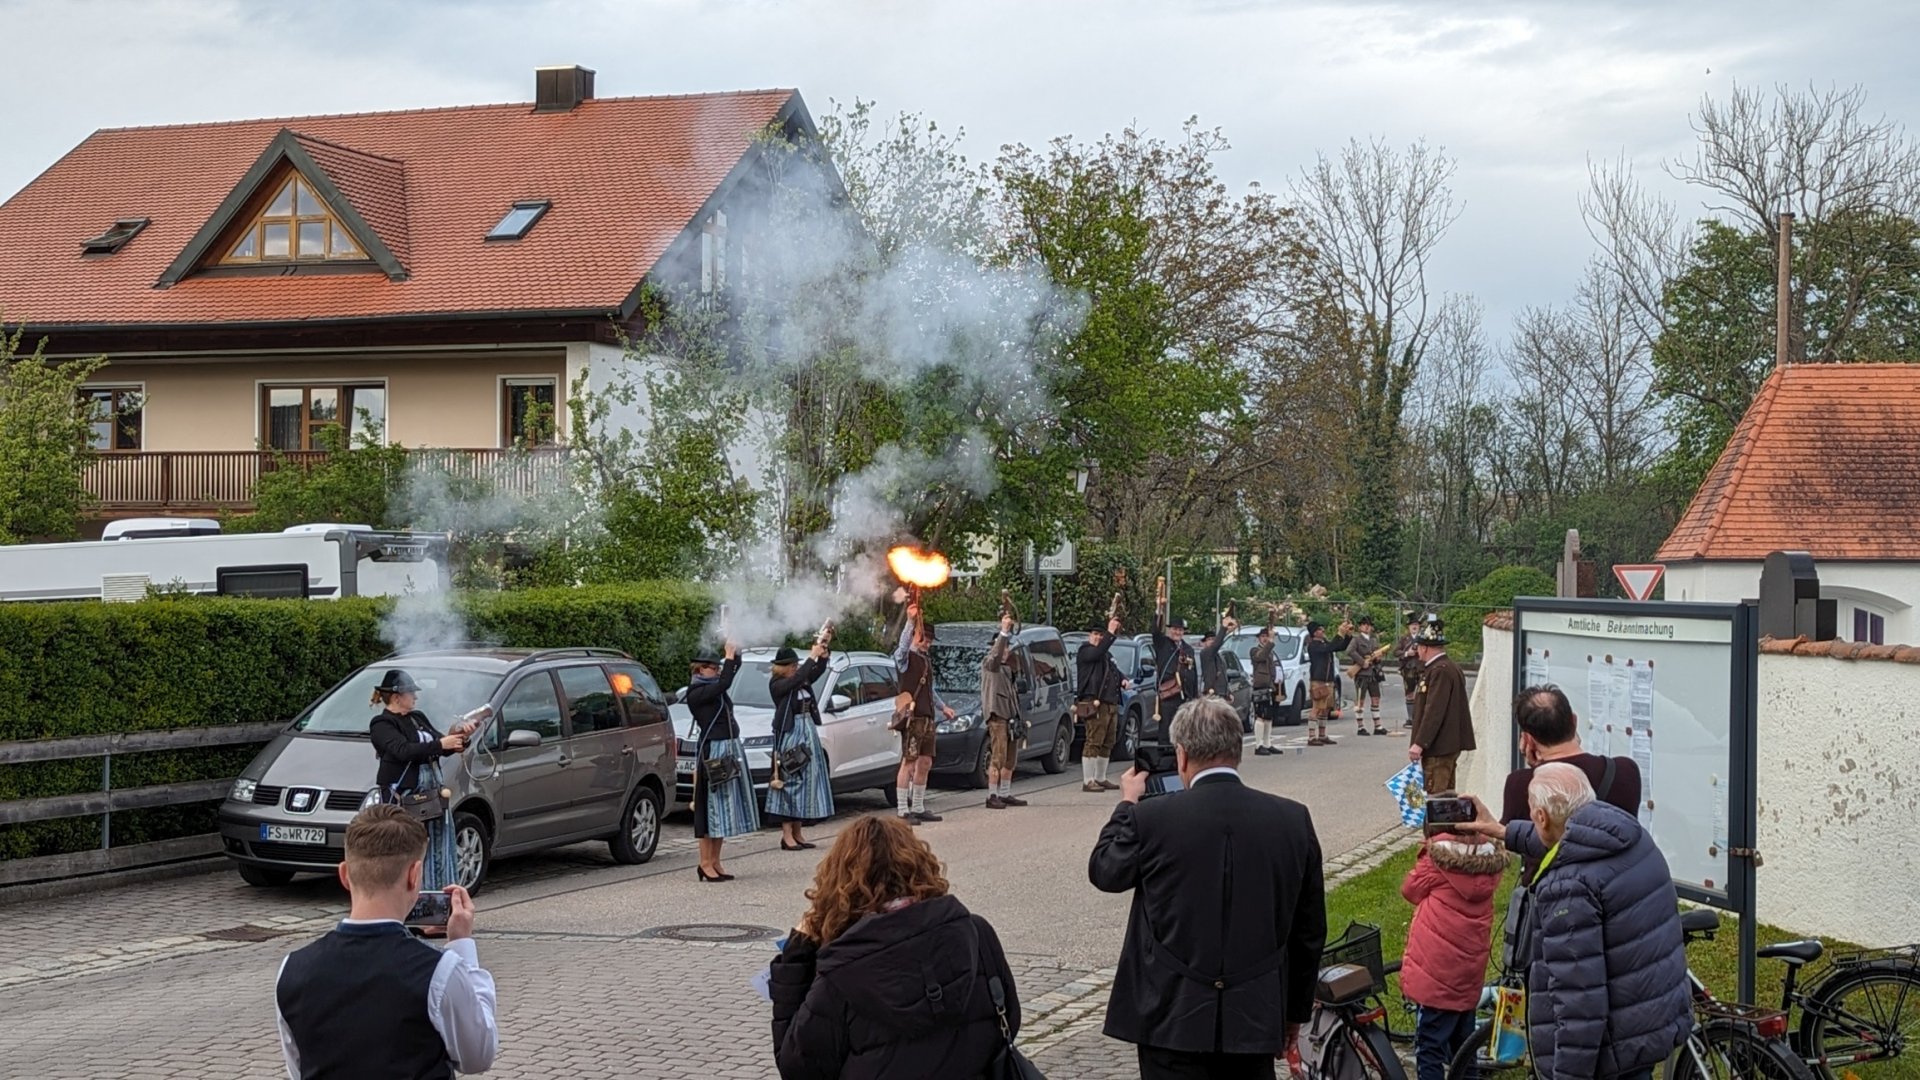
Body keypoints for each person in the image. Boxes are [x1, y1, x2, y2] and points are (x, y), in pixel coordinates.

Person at [1090, 697, 1327, 1080]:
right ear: (1237, 751)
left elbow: (1106, 870)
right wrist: (1294, 1012)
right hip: (1254, 1014)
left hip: (1171, 1015)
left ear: (1182, 756)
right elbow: (1309, 932)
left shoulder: (1151, 817)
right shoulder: (1291, 819)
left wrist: (1127, 805)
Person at [1464, 764, 1690, 1080]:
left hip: (1611, 1053)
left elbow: (1579, 1004)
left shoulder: (1569, 888)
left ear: (1541, 817)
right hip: (1647, 1023)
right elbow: (1564, 840)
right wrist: (1503, 831)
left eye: (1533, 815)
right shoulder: (1625, 835)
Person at [768, 814, 1019, 1080]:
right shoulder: (976, 934)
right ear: (920, 866)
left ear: (840, 884)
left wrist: (797, 957)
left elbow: (798, 1068)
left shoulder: (839, 972)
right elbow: (1007, 1021)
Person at [275, 804, 499, 1078]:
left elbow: (298, 1069)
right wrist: (462, 945)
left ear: (344, 875)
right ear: (414, 875)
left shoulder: (291, 970)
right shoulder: (439, 971)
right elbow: (478, 1055)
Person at [1498, 685, 1642, 877]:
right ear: (1574, 721)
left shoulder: (1520, 784)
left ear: (1528, 740)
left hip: (1553, 886)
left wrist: (1535, 770)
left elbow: (1516, 839)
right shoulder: (1625, 770)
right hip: (1618, 882)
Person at [1399, 829, 1507, 1080]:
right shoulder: (1488, 858)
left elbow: (1410, 890)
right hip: (1469, 968)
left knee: (1429, 1047)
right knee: (1464, 1047)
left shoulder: (1438, 858)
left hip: (1436, 970)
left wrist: (1428, 847)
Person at [369, 670, 483, 891]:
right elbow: (403, 751)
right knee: (410, 848)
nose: (415, 697)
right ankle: (413, 897)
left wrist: (460, 737)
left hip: (431, 794)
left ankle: (438, 893)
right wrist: (441, 744)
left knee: (438, 845)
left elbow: (441, 745)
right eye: (411, 693)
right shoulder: (382, 724)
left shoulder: (417, 717)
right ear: (397, 697)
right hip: (405, 797)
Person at [689, 643, 759, 881]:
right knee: (710, 809)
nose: (717, 670)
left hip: (727, 747)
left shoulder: (714, 687)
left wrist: (734, 648)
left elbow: (732, 671)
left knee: (722, 809)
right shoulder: (697, 692)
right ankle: (704, 863)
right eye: (713, 667)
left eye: (718, 667)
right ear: (700, 669)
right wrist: (728, 657)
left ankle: (716, 861)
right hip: (713, 750)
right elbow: (725, 682)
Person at [893, 602, 958, 825]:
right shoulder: (905, 659)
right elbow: (902, 647)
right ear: (916, 636)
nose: (927, 643)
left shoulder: (925, 660)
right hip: (913, 718)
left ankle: (918, 806)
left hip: (927, 717)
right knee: (909, 762)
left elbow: (929, 690)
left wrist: (943, 707)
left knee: (925, 762)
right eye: (924, 638)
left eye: (929, 640)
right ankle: (903, 810)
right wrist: (911, 621)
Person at [766, 642, 834, 851]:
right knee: (791, 780)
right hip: (791, 733)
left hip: (807, 730)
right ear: (783, 668)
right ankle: (787, 835)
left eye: (796, 665)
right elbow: (797, 679)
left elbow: (815, 672)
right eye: (792, 665)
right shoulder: (777, 684)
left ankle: (798, 832)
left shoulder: (799, 679)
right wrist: (811, 657)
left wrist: (823, 654)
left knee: (806, 782)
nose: (796, 668)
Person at [1407, 618, 1473, 794]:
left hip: (1438, 747)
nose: (1417, 652)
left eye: (1418, 647)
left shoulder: (1439, 671)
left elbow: (1434, 711)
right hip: (1445, 745)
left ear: (1424, 648)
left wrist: (1420, 743)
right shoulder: (1448, 667)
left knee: (1435, 799)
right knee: (1446, 799)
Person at [980, 613, 1028, 810]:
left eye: (1008, 647)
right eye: (1003, 647)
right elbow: (995, 656)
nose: (1006, 651)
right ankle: (992, 795)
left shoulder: (1008, 670)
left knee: (1010, 759)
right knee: (998, 757)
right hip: (998, 717)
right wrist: (1004, 632)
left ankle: (1005, 793)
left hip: (1010, 718)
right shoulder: (989, 664)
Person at [1075, 615, 1127, 791]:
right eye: (1095, 634)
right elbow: (1097, 653)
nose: (1097, 637)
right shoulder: (1085, 651)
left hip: (1110, 703)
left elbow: (1114, 669)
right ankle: (1088, 781)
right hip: (1094, 702)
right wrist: (1110, 632)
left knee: (1108, 741)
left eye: (1100, 635)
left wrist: (1123, 679)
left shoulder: (1106, 654)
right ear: (1089, 636)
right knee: (1094, 741)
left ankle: (1100, 777)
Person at [1148, 609, 1199, 741]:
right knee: (1166, 732)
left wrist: (1194, 697)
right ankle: (1165, 754)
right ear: (1170, 630)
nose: (1177, 632)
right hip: (1168, 696)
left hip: (1185, 697)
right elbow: (1155, 631)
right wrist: (1159, 613)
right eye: (1175, 629)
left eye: (1180, 630)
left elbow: (1193, 673)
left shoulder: (1188, 649)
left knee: (1183, 733)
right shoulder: (1162, 644)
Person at [1304, 618, 1353, 747]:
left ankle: (1322, 735)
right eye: (1320, 629)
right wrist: (1340, 633)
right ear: (1314, 633)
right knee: (1316, 707)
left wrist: (1347, 636)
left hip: (1328, 679)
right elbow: (1330, 647)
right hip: (1318, 680)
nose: (1323, 631)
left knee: (1325, 708)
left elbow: (1338, 647)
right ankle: (1311, 736)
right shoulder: (1314, 645)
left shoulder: (1323, 643)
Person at [1346, 615, 1388, 737]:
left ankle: (1378, 726)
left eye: (1368, 625)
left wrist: (1378, 658)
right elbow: (1349, 651)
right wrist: (1361, 662)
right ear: (1360, 627)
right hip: (1362, 674)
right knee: (1360, 700)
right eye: (1364, 625)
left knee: (1376, 698)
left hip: (1373, 673)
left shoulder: (1373, 640)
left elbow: (1377, 655)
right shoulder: (1356, 640)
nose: (1366, 627)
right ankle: (1361, 727)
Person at [1248, 612, 1281, 756]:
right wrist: (1271, 642)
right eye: (1262, 636)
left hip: (1270, 686)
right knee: (1260, 715)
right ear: (1259, 638)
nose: (1265, 638)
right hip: (1260, 686)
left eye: (1267, 636)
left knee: (1268, 716)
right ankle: (1258, 745)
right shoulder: (1255, 650)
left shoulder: (1270, 652)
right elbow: (1260, 657)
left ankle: (1267, 743)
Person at [1395, 612, 1424, 730]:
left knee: (1422, 693)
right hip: (1408, 669)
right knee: (1409, 694)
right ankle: (1411, 718)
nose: (1414, 626)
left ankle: (1420, 718)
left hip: (1421, 669)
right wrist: (1407, 653)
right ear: (1409, 627)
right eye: (1412, 625)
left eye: (1416, 624)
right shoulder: (1404, 639)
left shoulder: (1423, 638)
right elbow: (1396, 652)